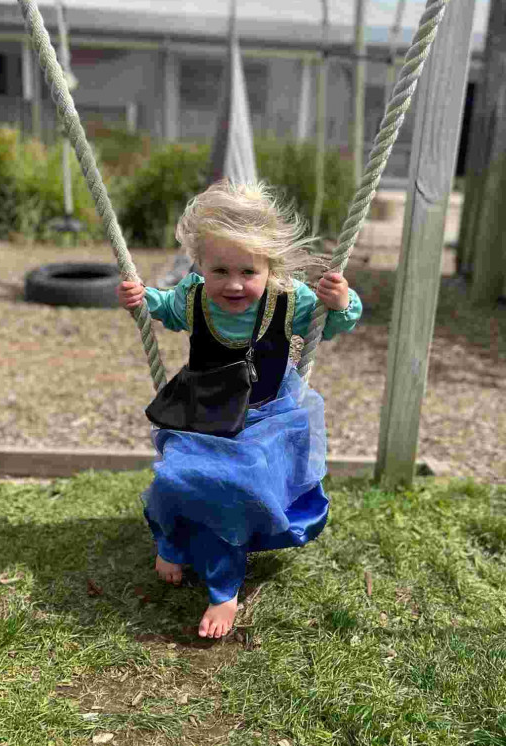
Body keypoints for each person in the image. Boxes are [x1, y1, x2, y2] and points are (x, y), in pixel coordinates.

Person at [117, 180, 362, 639]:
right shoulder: (192, 297)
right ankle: (171, 540)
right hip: (202, 411)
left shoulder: (290, 300)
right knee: (176, 475)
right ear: (200, 266)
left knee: (235, 485)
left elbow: (338, 321)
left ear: (270, 265)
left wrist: (341, 300)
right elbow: (165, 307)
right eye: (220, 270)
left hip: (265, 418)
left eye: (248, 271)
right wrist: (141, 300)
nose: (233, 284)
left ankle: (223, 589)